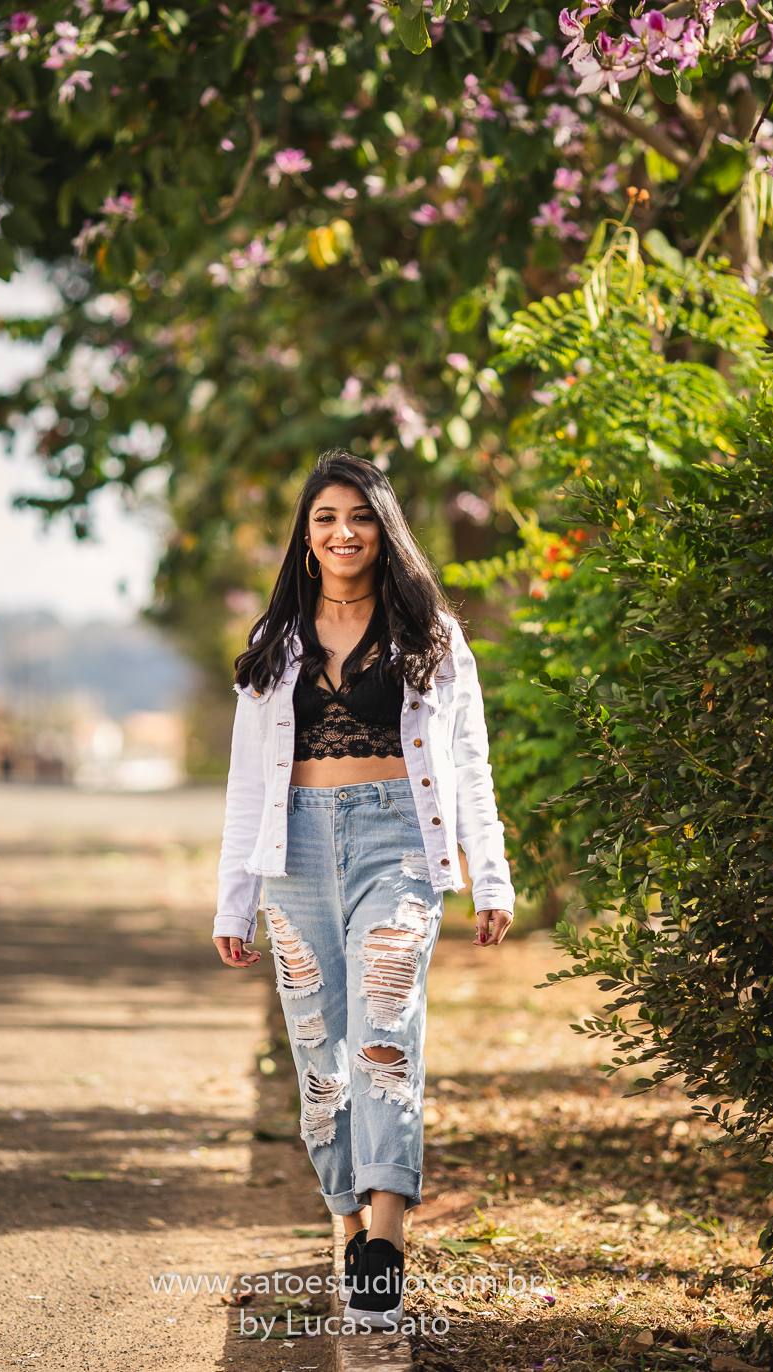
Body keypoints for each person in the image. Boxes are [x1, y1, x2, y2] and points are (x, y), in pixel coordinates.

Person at [213, 450, 514, 1329]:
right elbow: (245, 786)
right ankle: (345, 1223)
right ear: (306, 538)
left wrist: (488, 875)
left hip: (399, 841)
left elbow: (468, 765)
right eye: (325, 519)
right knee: (317, 1047)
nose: (344, 533)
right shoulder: (275, 645)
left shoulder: (433, 637)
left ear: (385, 529)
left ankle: (385, 1238)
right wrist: (233, 900)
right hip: (295, 846)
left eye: (360, 516)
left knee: (385, 1023)